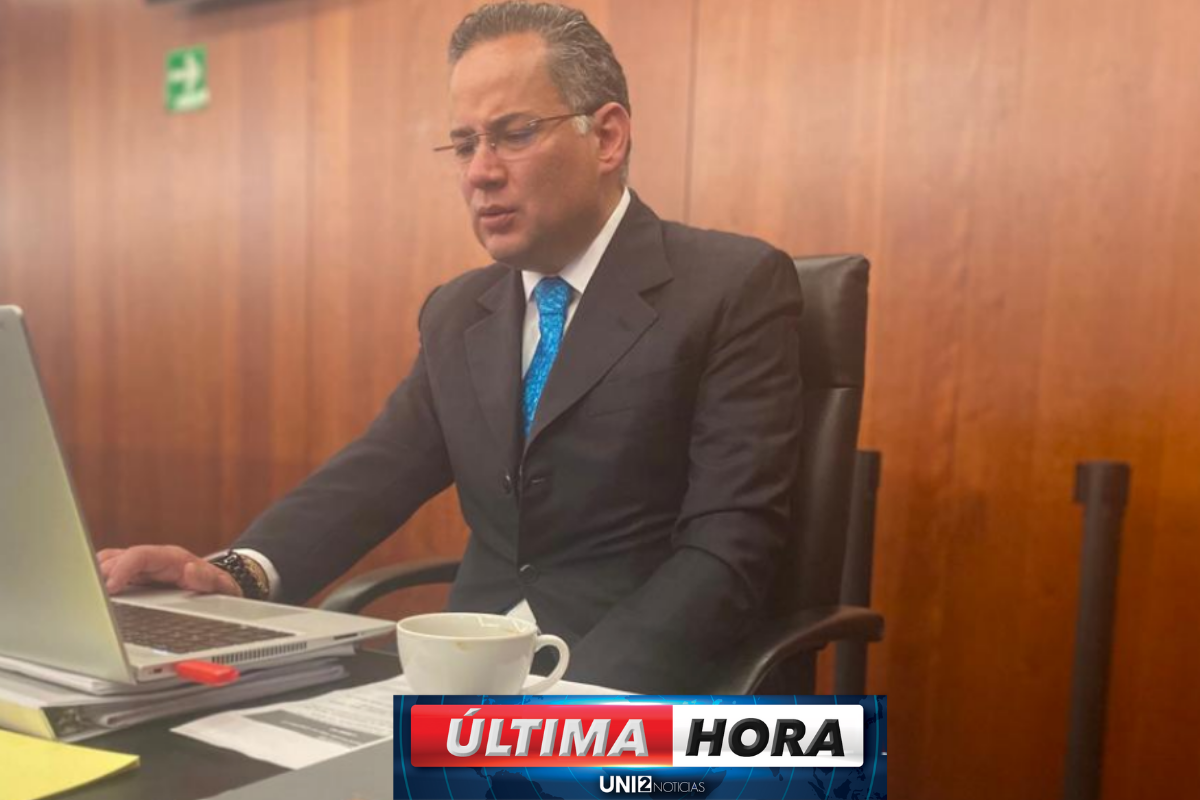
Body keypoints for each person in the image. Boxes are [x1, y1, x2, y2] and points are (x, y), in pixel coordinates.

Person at [98, 1, 803, 693]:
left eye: (514, 134)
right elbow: (376, 473)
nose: (479, 173)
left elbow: (727, 549)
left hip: (628, 690)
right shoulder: (458, 311)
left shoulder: (730, 286)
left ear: (608, 137)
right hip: (465, 678)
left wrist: (567, 708)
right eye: (465, 145)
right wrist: (236, 572)